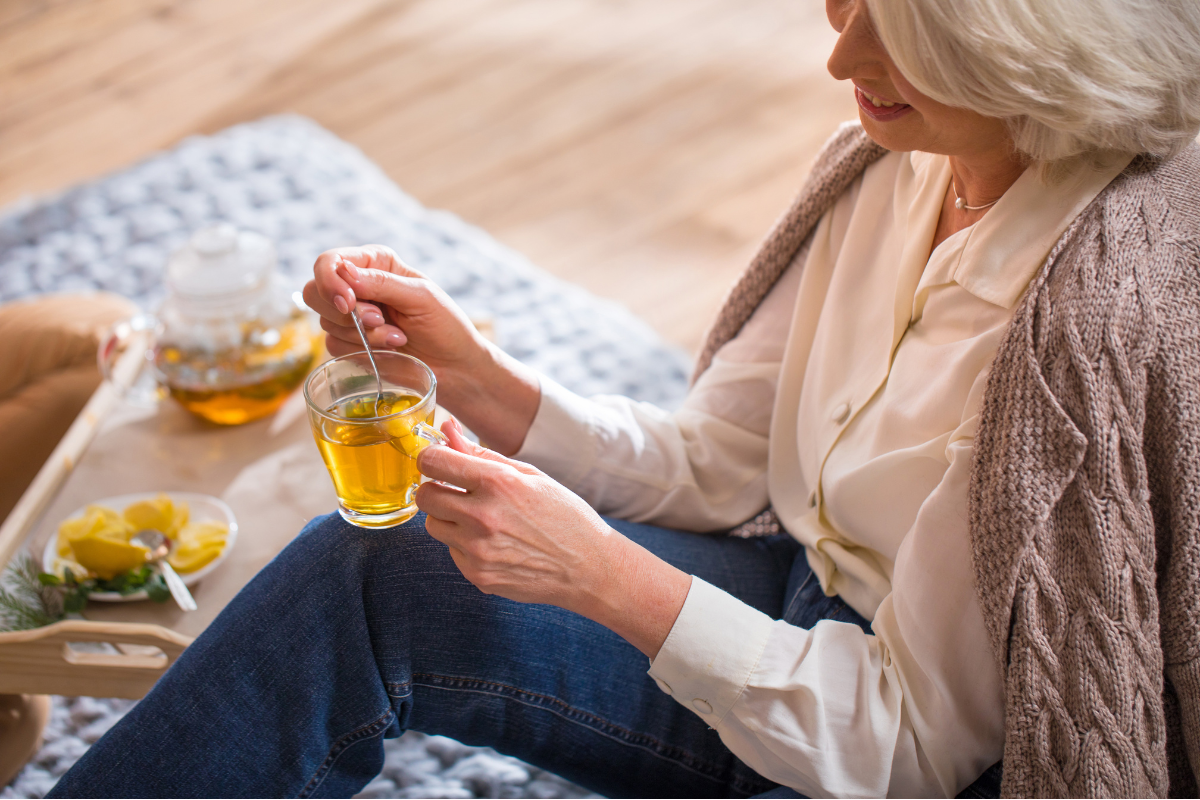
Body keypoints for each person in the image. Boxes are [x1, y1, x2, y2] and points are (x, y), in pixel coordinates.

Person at [49, 0, 1200, 796]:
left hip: (891, 752)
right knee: (373, 560)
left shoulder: (1084, 337)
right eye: (847, 2)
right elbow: (726, 462)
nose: (841, 62)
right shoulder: (888, 163)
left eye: (898, 32)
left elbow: (907, 748)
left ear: (1026, 50)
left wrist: (602, 575)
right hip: (790, 607)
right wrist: (482, 384)